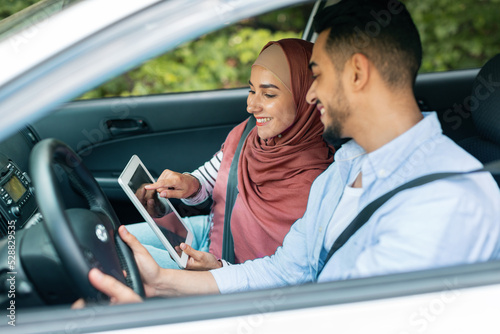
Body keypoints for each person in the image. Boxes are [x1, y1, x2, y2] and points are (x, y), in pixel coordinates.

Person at [81, 0, 500, 304]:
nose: (310, 93)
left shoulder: (446, 199)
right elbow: (287, 271)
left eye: (315, 75)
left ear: (357, 73)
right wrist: (160, 284)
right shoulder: (344, 167)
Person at [126, 38, 333, 270]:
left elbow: (288, 274)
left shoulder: (319, 181)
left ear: (307, 96)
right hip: (210, 231)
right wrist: (190, 183)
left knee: (121, 262)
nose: (252, 106)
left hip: (234, 274)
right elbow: (212, 179)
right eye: (252, 90)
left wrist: (220, 269)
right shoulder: (247, 134)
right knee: (115, 243)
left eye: (269, 95)